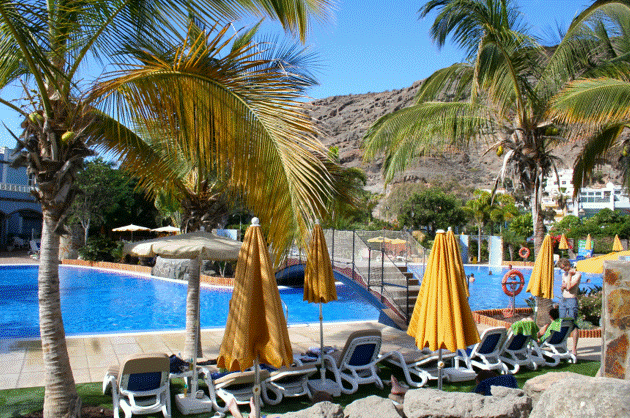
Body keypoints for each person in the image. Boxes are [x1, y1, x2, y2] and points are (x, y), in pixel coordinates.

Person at [557, 258, 581, 355]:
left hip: (572, 300)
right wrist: (562, 287)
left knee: (573, 325)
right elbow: (564, 289)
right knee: (561, 323)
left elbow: (569, 287)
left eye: (564, 268)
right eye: (562, 268)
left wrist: (570, 276)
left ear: (568, 265)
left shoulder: (577, 274)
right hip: (564, 299)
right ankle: (563, 346)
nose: (564, 270)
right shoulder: (564, 274)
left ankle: (574, 349)